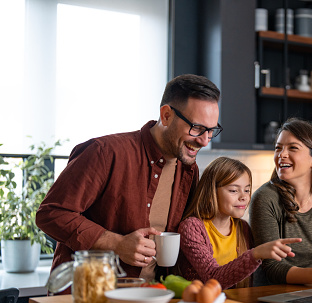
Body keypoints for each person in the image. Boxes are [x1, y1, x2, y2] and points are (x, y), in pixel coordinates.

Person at [36, 74, 222, 290]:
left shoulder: (189, 170)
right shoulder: (105, 152)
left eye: (211, 131)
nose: (205, 141)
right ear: (167, 115)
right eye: (197, 128)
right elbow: (51, 214)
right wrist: (117, 244)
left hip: (151, 298)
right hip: (91, 297)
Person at [249, 117, 312, 286]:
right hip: (273, 296)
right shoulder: (265, 198)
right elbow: (272, 266)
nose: (282, 155)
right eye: (278, 148)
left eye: (293, 148)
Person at [176, 156, 301, 289]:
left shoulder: (243, 228)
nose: (244, 197)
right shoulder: (192, 228)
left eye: (247, 190)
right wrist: (256, 254)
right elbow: (213, 278)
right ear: (211, 191)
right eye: (234, 190)